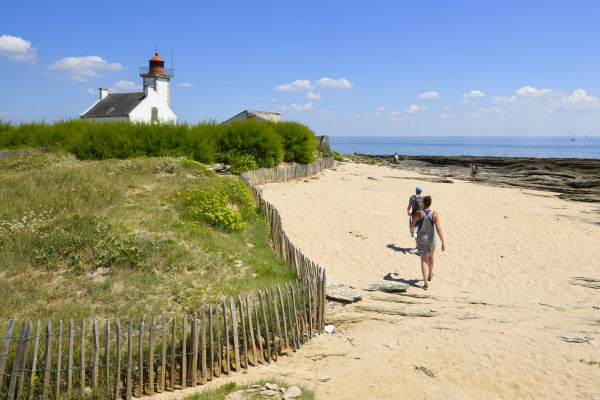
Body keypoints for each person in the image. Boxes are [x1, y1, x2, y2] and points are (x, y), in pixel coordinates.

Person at [409, 195, 446, 290]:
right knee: (431, 257)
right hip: (431, 239)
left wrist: (414, 229)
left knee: (424, 260)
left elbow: (412, 226)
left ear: (423, 203)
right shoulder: (435, 214)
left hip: (421, 239)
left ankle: (425, 283)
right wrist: (443, 241)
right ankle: (430, 274)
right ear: (430, 203)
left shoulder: (418, 212)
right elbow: (438, 228)